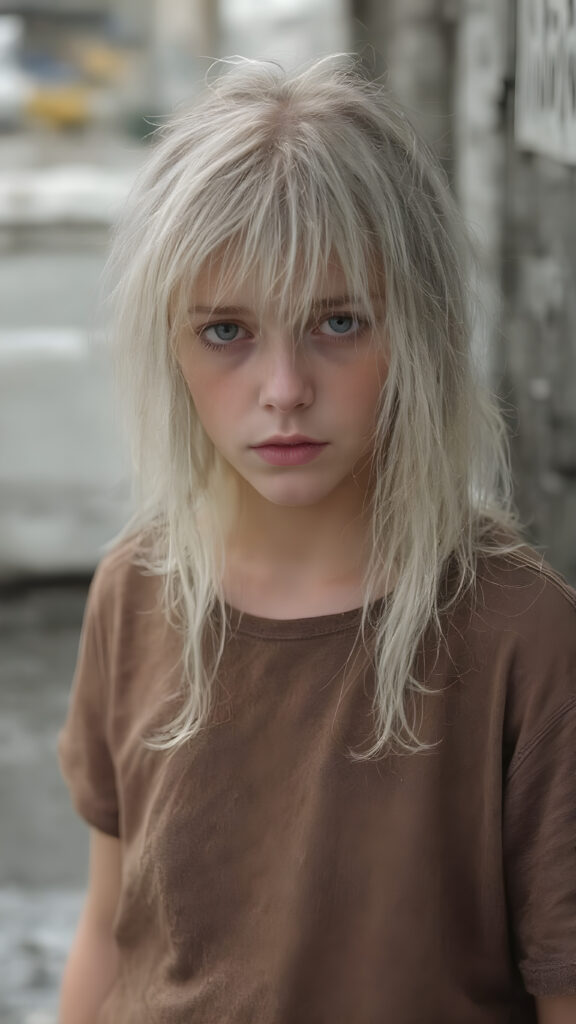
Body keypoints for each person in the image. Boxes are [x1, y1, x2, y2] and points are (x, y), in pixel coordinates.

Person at [58, 56, 576, 1024]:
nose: (285, 387)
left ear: (417, 331)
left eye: (337, 321)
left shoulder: (521, 634)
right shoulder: (134, 590)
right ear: (168, 342)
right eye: (226, 331)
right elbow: (108, 930)